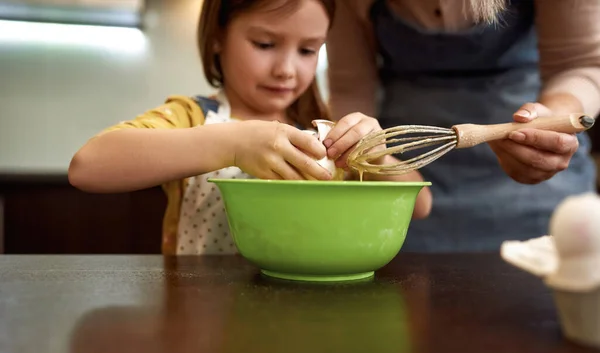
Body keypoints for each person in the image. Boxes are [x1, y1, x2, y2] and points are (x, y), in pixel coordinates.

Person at [68, 0, 432, 256]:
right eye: (265, 44)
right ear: (217, 38)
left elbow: (419, 204)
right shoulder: (195, 116)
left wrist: (376, 152)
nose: (287, 69)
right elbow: (88, 167)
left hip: (300, 320)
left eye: (308, 50)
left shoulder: (326, 134)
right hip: (197, 323)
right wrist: (232, 144)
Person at [324, 0, 600, 252]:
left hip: (535, 204)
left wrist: (551, 118)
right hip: (408, 183)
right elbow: (351, 89)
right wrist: (356, 152)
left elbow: (579, 64)